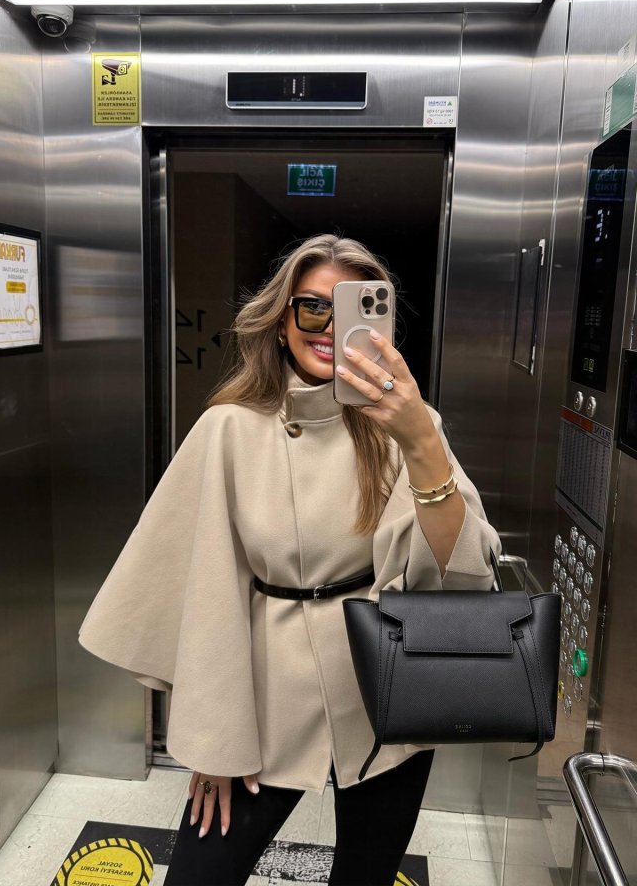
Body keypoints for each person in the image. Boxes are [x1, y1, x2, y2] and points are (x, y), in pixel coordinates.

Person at [79, 234, 500, 886]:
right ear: (281, 322)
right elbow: (204, 588)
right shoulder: (229, 428)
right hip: (264, 697)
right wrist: (213, 736)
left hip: (384, 693)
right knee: (200, 875)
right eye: (312, 307)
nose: (329, 326)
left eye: (353, 307)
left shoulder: (409, 428)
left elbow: (465, 573)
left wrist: (420, 440)